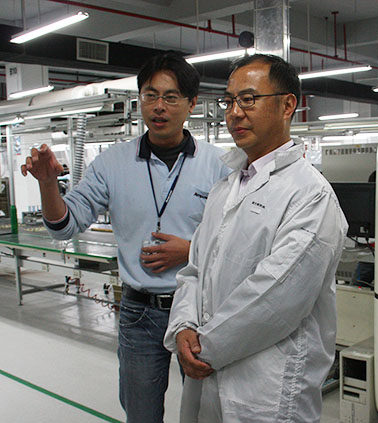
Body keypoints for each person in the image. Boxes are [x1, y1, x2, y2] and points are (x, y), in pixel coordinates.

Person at [21, 51, 230, 423]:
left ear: (191, 103)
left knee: (205, 413)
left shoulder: (219, 165)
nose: (159, 106)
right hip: (139, 312)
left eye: (170, 97)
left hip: (201, 309)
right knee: (141, 413)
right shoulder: (112, 163)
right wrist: (49, 185)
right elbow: (65, 225)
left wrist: (191, 250)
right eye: (150, 95)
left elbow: (239, 240)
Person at [164, 54, 348, 423]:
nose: (234, 113)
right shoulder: (224, 189)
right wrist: (183, 325)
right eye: (229, 101)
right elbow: (195, 270)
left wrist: (205, 347)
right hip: (207, 372)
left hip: (267, 387)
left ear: (287, 105)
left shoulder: (310, 195)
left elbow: (278, 294)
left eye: (248, 99)